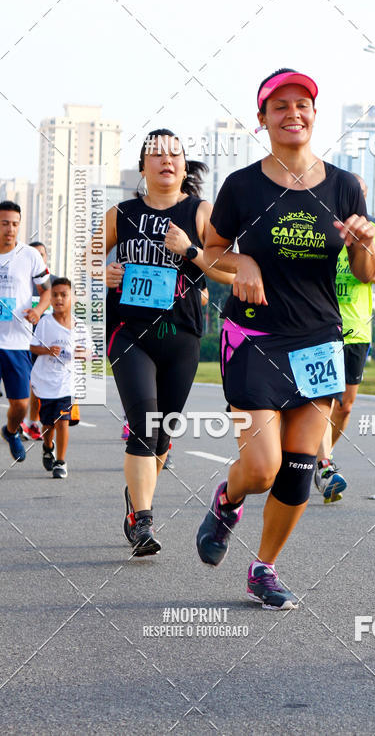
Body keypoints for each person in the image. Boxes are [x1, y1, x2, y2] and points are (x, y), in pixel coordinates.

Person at [196, 68, 375, 610]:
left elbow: (365, 272)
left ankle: (264, 568)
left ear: (314, 115)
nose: (293, 113)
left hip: (319, 341)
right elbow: (211, 252)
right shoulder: (242, 185)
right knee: (260, 469)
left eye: (302, 104)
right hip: (253, 337)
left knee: (298, 471)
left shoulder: (344, 186)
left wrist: (365, 241)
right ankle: (227, 500)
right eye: (280, 106)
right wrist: (244, 262)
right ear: (263, 119)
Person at [101, 129, 233, 556]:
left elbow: (228, 271)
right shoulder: (121, 213)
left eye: (175, 153)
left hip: (181, 334)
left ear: (183, 165)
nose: (166, 160)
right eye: (156, 154)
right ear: (143, 166)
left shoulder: (200, 211)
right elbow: (82, 256)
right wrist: (101, 273)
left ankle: (136, 499)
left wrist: (190, 250)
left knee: (162, 432)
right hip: (129, 333)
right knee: (144, 423)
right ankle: (142, 521)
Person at [314, 174, 375, 501]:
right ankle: (324, 466)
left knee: (345, 406)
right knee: (322, 399)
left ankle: (318, 456)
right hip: (320, 326)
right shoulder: (319, 225)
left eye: (360, 194)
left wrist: (364, 270)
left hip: (357, 329)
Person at [0, 201, 51, 463]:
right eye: (4, 223)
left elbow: (47, 291)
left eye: (15, 224)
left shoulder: (30, 255)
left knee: (20, 404)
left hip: (17, 342)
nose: (10, 229)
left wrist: (38, 310)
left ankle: (11, 431)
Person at [30, 278, 81, 478]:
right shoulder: (45, 322)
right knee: (48, 424)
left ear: (72, 298)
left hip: (67, 383)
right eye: (55, 295)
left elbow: (89, 351)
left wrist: (82, 353)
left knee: (62, 421)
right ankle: (47, 446)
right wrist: (47, 350)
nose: (59, 299)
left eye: (64, 295)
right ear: (50, 299)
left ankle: (60, 462)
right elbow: (32, 347)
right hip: (46, 382)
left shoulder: (79, 325)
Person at [22, 241, 55, 441]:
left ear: (46, 257)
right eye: (34, 254)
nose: (38, 257)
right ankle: (29, 422)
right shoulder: (22, 282)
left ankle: (37, 423)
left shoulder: (54, 283)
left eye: (41, 254)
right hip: (25, 341)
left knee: (43, 386)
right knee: (30, 385)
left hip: (48, 344)